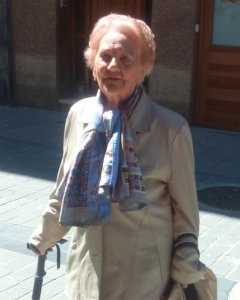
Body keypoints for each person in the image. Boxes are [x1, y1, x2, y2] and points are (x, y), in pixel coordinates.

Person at [29, 13, 215, 300]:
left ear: (144, 68)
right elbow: (64, 189)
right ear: (93, 64)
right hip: (85, 275)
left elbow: (187, 217)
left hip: (144, 282)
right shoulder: (79, 115)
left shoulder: (170, 129)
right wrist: (43, 237)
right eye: (105, 56)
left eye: (126, 58)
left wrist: (184, 274)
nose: (113, 66)